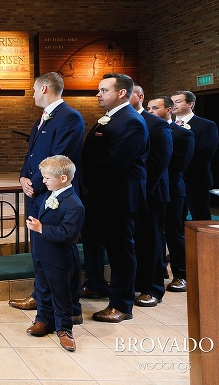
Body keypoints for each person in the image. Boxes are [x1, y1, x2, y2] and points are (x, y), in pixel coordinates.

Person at [10, 72, 84, 319]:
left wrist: (37, 186)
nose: (31, 94)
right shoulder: (41, 118)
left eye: (33, 89)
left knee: (56, 253)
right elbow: (31, 154)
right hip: (36, 193)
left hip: (52, 195)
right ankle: (40, 298)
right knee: (39, 251)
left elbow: (59, 159)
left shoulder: (69, 118)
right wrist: (23, 177)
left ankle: (67, 308)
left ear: (44, 89)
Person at [81, 73, 148, 323]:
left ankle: (121, 304)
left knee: (120, 252)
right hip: (100, 196)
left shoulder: (130, 121)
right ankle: (97, 284)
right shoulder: (109, 119)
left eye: (103, 90)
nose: (98, 94)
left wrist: (80, 175)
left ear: (121, 93)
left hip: (119, 198)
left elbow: (115, 162)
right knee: (94, 242)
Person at [25, 155, 84, 352]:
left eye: (47, 178)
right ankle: (43, 320)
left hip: (59, 257)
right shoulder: (52, 193)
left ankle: (64, 329)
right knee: (42, 288)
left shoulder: (74, 204)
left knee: (61, 293)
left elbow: (69, 233)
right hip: (42, 252)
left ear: (63, 179)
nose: (43, 181)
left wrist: (41, 228)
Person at [146, 96, 194, 293]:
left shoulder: (183, 134)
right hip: (153, 190)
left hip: (173, 189)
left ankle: (181, 274)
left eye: (155, 108)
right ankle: (159, 270)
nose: (150, 112)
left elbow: (179, 165)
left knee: (173, 232)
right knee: (155, 233)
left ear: (168, 110)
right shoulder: (146, 130)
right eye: (148, 108)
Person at [129, 86, 172, 307]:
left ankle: (154, 288)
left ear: (139, 96)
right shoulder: (123, 121)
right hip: (130, 193)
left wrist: (143, 192)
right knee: (135, 241)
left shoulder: (157, 124)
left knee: (152, 241)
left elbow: (159, 162)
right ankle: (137, 283)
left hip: (151, 194)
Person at [170, 90, 219, 221]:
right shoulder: (167, 126)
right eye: (171, 102)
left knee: (200, 217)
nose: (173, 105)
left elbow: (205, 153)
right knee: (176, 218)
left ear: (190, 104)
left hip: (195, 178)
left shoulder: (206, 125)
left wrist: (180, 168)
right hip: (173, 180)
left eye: (178, 101)